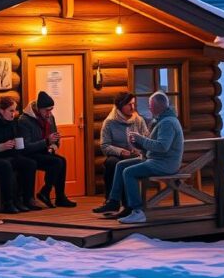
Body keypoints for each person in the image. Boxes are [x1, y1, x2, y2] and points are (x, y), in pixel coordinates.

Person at [92, 91, 183, 224]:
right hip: (156, 159)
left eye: (150, 105)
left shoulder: (167, 123)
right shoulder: (162, 120)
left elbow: (163, 147)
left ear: (158, 106)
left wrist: (141, 139)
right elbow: (153, 145)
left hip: (164, 163)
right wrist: (138, 144)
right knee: (120, 164)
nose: (149, 108)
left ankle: (137, 211)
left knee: (129, 172)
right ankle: (113, 201)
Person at [0, 95, 42, 213]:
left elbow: (13, 140)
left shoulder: (11, 123)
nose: (13, 114)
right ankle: (8, 202)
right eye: (11, 111)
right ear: (1, 111)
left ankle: (27, 199)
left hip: (6, 156)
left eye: (14, 110)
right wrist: (0, 147)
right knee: (5, 165)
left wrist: (16, 144)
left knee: (29, 163)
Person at [18, 91, 77, 208]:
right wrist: (46, 142)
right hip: (30, 154)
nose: (49, 113)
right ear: (38, 109)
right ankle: (45, 192)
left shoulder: (50, 118)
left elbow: (54, 139)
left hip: (44, 151)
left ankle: (59, 196)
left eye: (51, 110)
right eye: (47, 110)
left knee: (62, 161)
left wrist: (53, 147)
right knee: (56, 162)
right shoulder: (24, 121)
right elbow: (26, 147)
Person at [99, 92, 150, 198]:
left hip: (137, 155)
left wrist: (139, 149)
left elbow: (147, 138)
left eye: (133, 104)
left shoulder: (138, 120)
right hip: (118, 156)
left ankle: (130, 202)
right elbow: (105, 145)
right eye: (129, 105)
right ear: (120, 106)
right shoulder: (110, 122)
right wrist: (120, 152)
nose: (132, 107)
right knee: (111, 163)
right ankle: (111, 199)